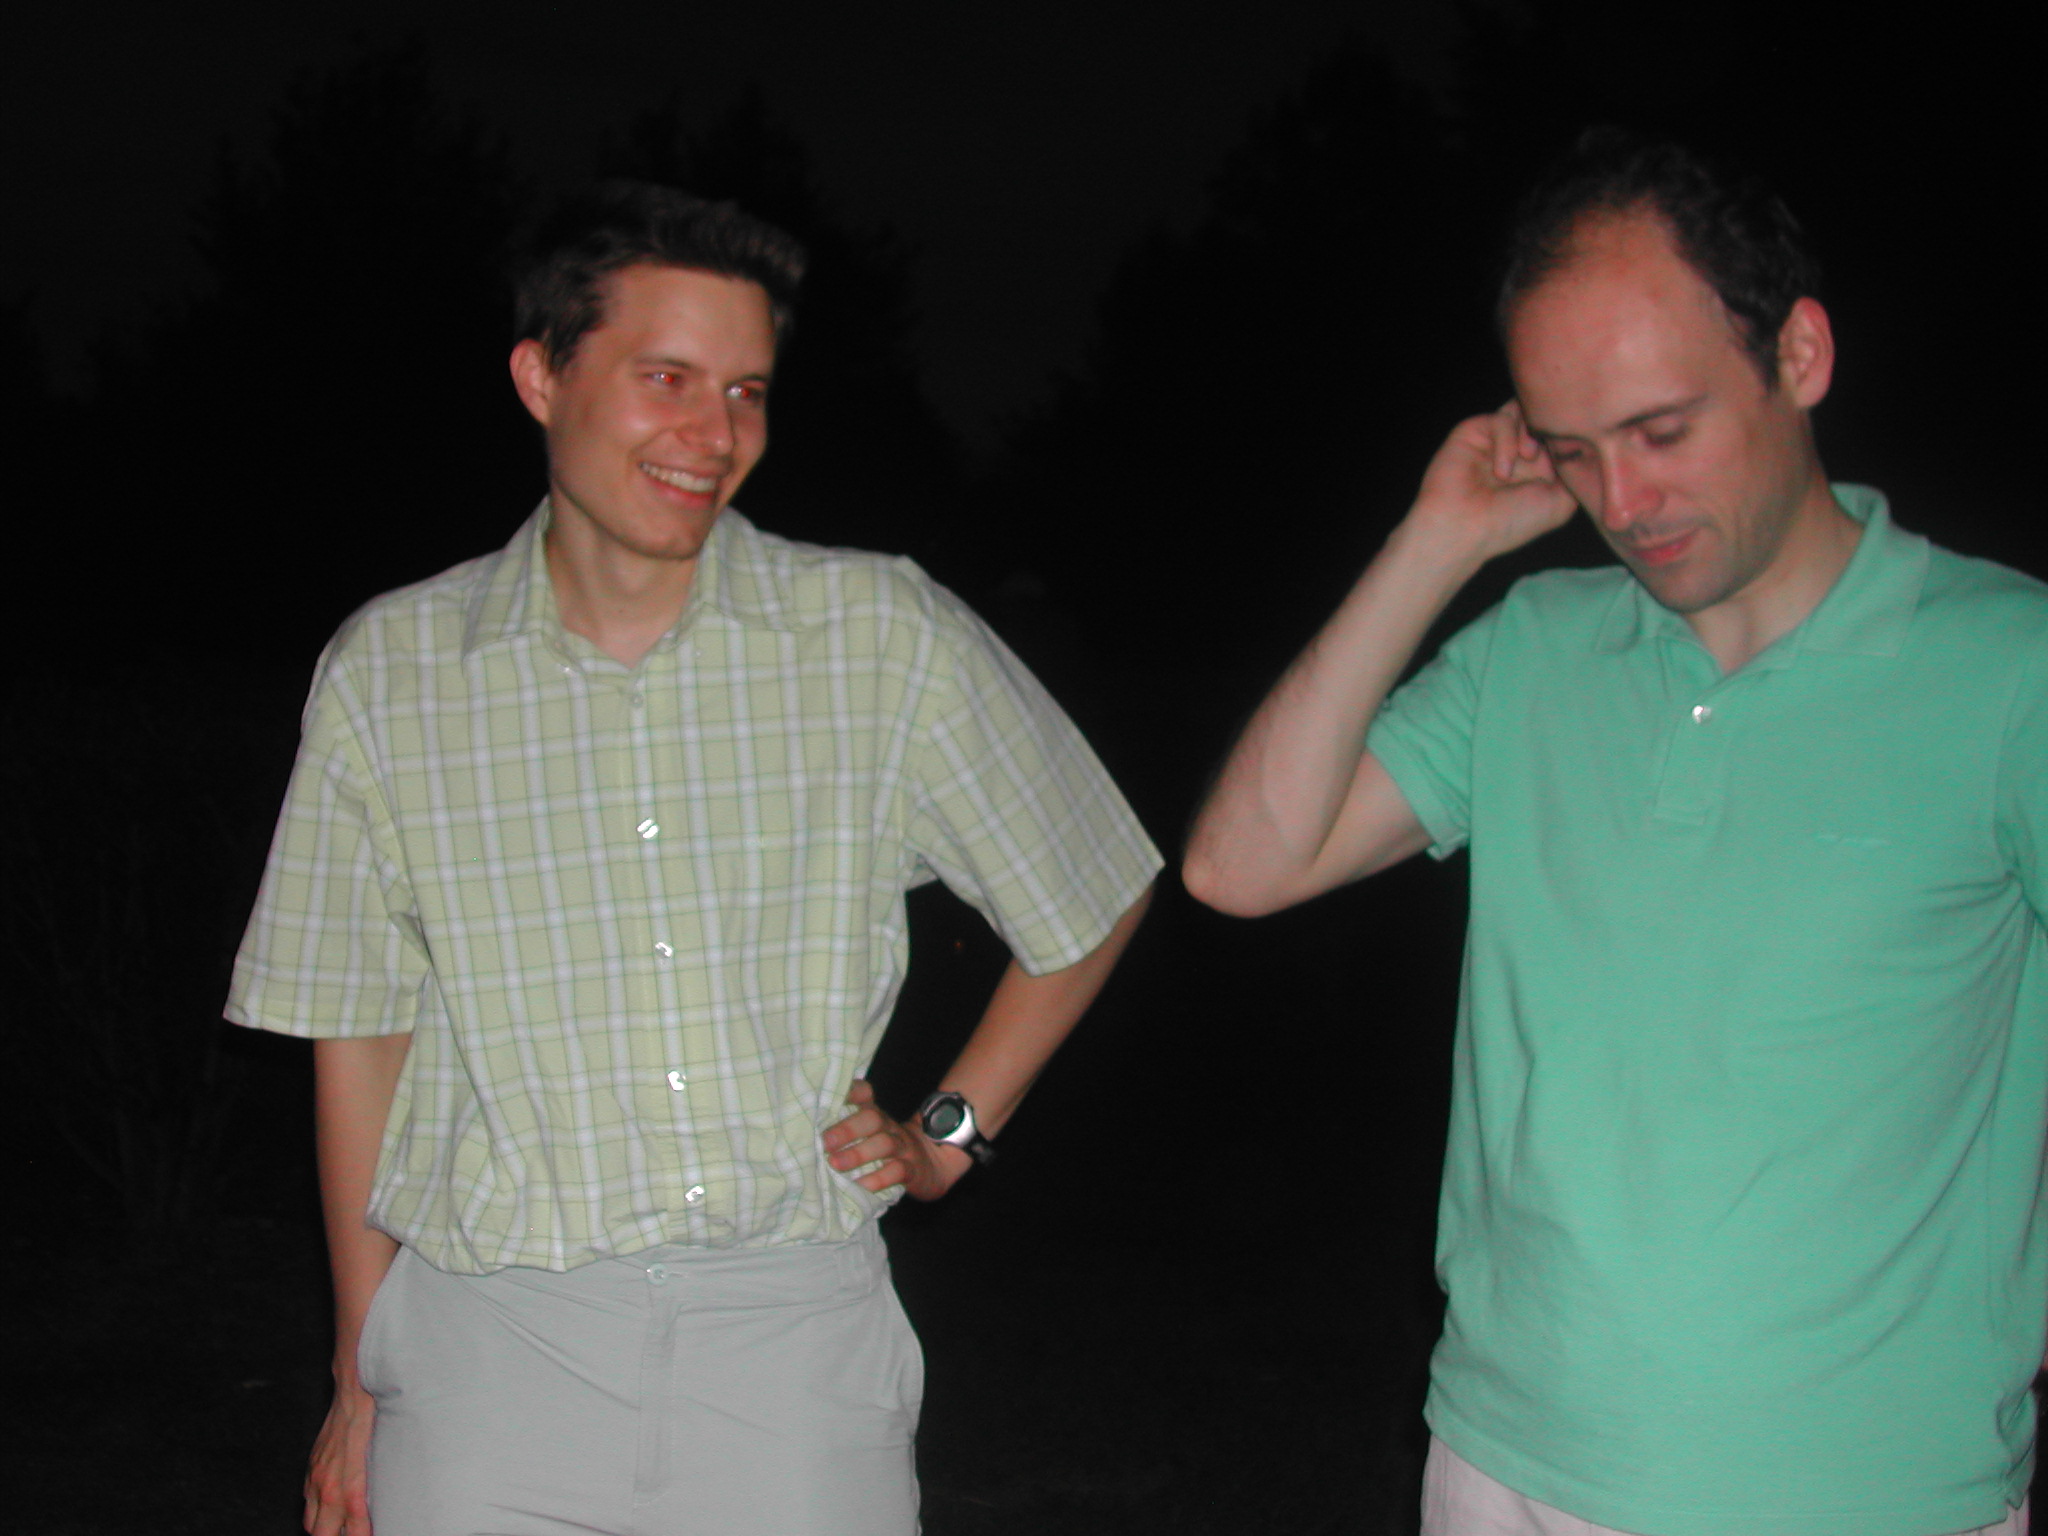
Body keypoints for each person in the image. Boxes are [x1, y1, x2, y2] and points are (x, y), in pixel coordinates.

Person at [228, 182, 1159, 1536]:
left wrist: (947, 1139)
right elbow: (360, 1036)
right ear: (542, 377)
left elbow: (1092, 885)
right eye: (666, 378)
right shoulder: (395, 672)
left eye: (746, 392)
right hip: (491, 1353)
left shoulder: (874, 634)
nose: (714, 436)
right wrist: (360, 1373)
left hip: (792, 1353)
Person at [1183, 129, 2048, 1535]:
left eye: (1663, 431)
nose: (1624, 507)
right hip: (1504, 1461)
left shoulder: (2011, 671)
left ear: (1801, 355)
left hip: (1867, 1493)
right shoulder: (1536, 644)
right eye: (1576, 452)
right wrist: (1439, 540)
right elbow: (1241, 866)